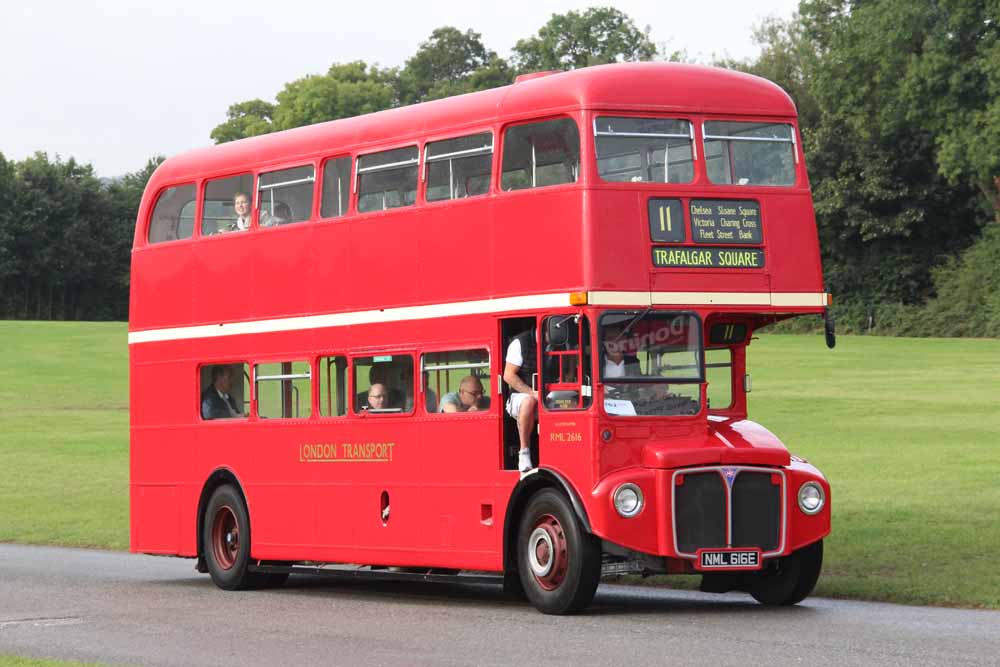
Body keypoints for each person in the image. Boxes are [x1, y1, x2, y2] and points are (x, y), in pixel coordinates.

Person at [503, 328, 539, 473]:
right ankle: (524, 451)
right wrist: (532, 392)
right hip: (520, 395)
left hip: (547, 394)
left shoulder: (561, 343)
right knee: (528, 402)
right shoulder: (519, 343)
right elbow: (508, 375)